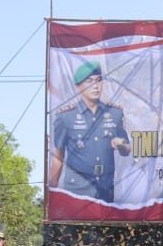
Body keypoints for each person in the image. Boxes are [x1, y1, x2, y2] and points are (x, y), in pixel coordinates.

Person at [52, 60, 131, 201]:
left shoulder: (115, 113)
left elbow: (127, 150)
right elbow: (58, 157)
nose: (95, 86)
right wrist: (52, 190)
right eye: (89, 81)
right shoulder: (65, 117)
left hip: (105, 190)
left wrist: (120, 144)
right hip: (77, 190)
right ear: (78, 87)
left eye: (99, 80)